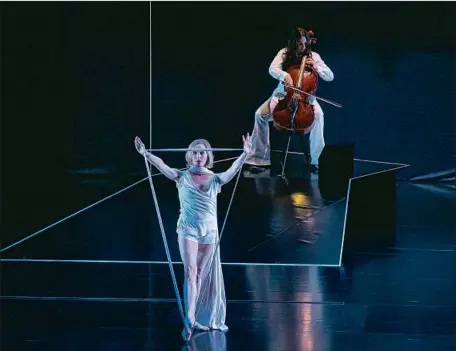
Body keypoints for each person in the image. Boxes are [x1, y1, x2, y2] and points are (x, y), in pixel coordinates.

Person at [134, 134, 253, 341]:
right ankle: (189, 318)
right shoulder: (181, 176)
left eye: (203, 153)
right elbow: (162, 165)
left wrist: (245, 154)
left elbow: (232, 171)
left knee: (199, 275)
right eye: (195, 152)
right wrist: (145, 153)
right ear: (190, 156)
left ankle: (195, 317)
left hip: (209, 232)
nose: (199, 156)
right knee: (190, 272)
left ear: (208, 156)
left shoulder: (215, 179)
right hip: (188, 230)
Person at [245, 27, 334, 173]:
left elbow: (330, 77)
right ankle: (260, 159)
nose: (302, 47)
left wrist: (317, 67)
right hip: (283, 95)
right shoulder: (284, 53)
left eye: (305, 44)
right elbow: (272, 69)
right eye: (299, 44)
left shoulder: (314, 56)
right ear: (293, 43)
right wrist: (284, 76)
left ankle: (317, 161)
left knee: (319, 116)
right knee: (259, 115)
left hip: (306, 99)